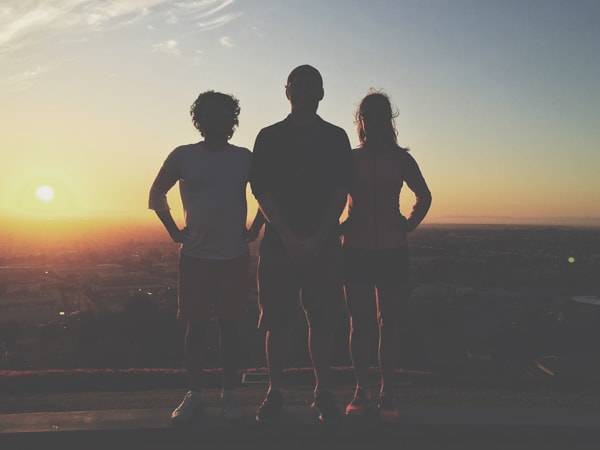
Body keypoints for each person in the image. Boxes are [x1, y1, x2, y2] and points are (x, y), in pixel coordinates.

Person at [148, 91, 263, 423]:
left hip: (233, 256)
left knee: (230, 327)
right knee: (196, 328)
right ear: (200, 120)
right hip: (196, 257)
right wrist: (173, 230)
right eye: (210, 115)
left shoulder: (244, 158)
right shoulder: (183, 155)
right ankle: (195, 393)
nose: (216, 122)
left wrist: (254, 229)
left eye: (222, 116)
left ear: (231, 121)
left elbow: (266, 195)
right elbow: (156, 192)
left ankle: (229, 394)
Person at [250, 65, 353, 424]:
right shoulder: (268, 136)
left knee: (320, 321)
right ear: (287, 91)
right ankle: (275, 392)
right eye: (298, 85)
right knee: (277, 322)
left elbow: (342, 191)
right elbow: (261, 190)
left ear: (321, 93)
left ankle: (322, 391)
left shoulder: (336, 137)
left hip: (319, 244)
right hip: (283, 244)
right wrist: (293, 237)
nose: (304, 91)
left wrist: (318, 236)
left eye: (311, 86)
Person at [342, 91, 431, 420]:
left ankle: (386, 391)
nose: (373, 121)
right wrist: (339, 225)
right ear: (361, 121)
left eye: (378, 115)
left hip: (392, 249)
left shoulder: (401, 159)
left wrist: (407, 224)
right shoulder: (350, 159)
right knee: (360, 323)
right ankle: (361, 390)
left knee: (388, 323)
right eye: (368, 115)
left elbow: (424, 195)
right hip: (355, 249)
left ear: (387, 119)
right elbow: (337, 197)